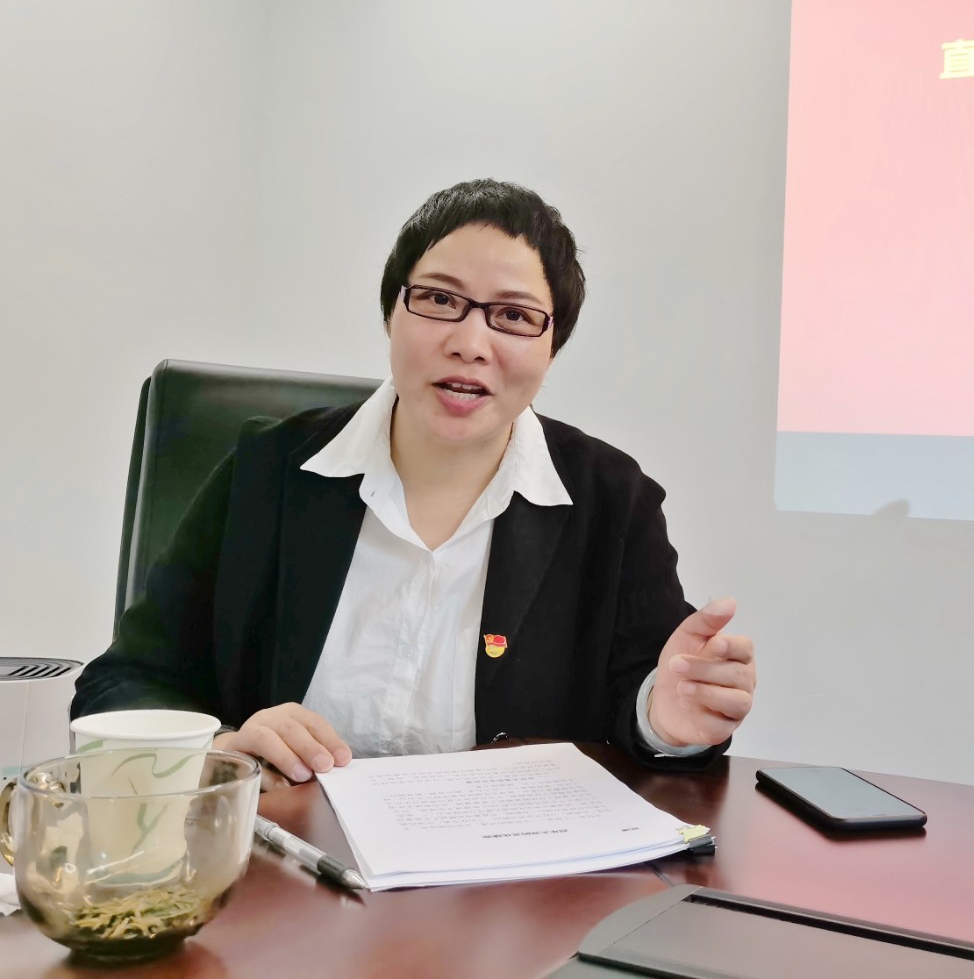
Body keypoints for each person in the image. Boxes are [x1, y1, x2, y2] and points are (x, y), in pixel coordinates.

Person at [74, 179, 756, 781]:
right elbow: (124, 684)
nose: (470, 343)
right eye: (437, 299)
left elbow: (645, 710)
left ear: (553, 347)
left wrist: (663, 719)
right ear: (391, 314)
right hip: (286, 865)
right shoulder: (265, 473)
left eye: (514, 316)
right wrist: (222, 750)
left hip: (512, 879)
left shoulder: (613, 502)